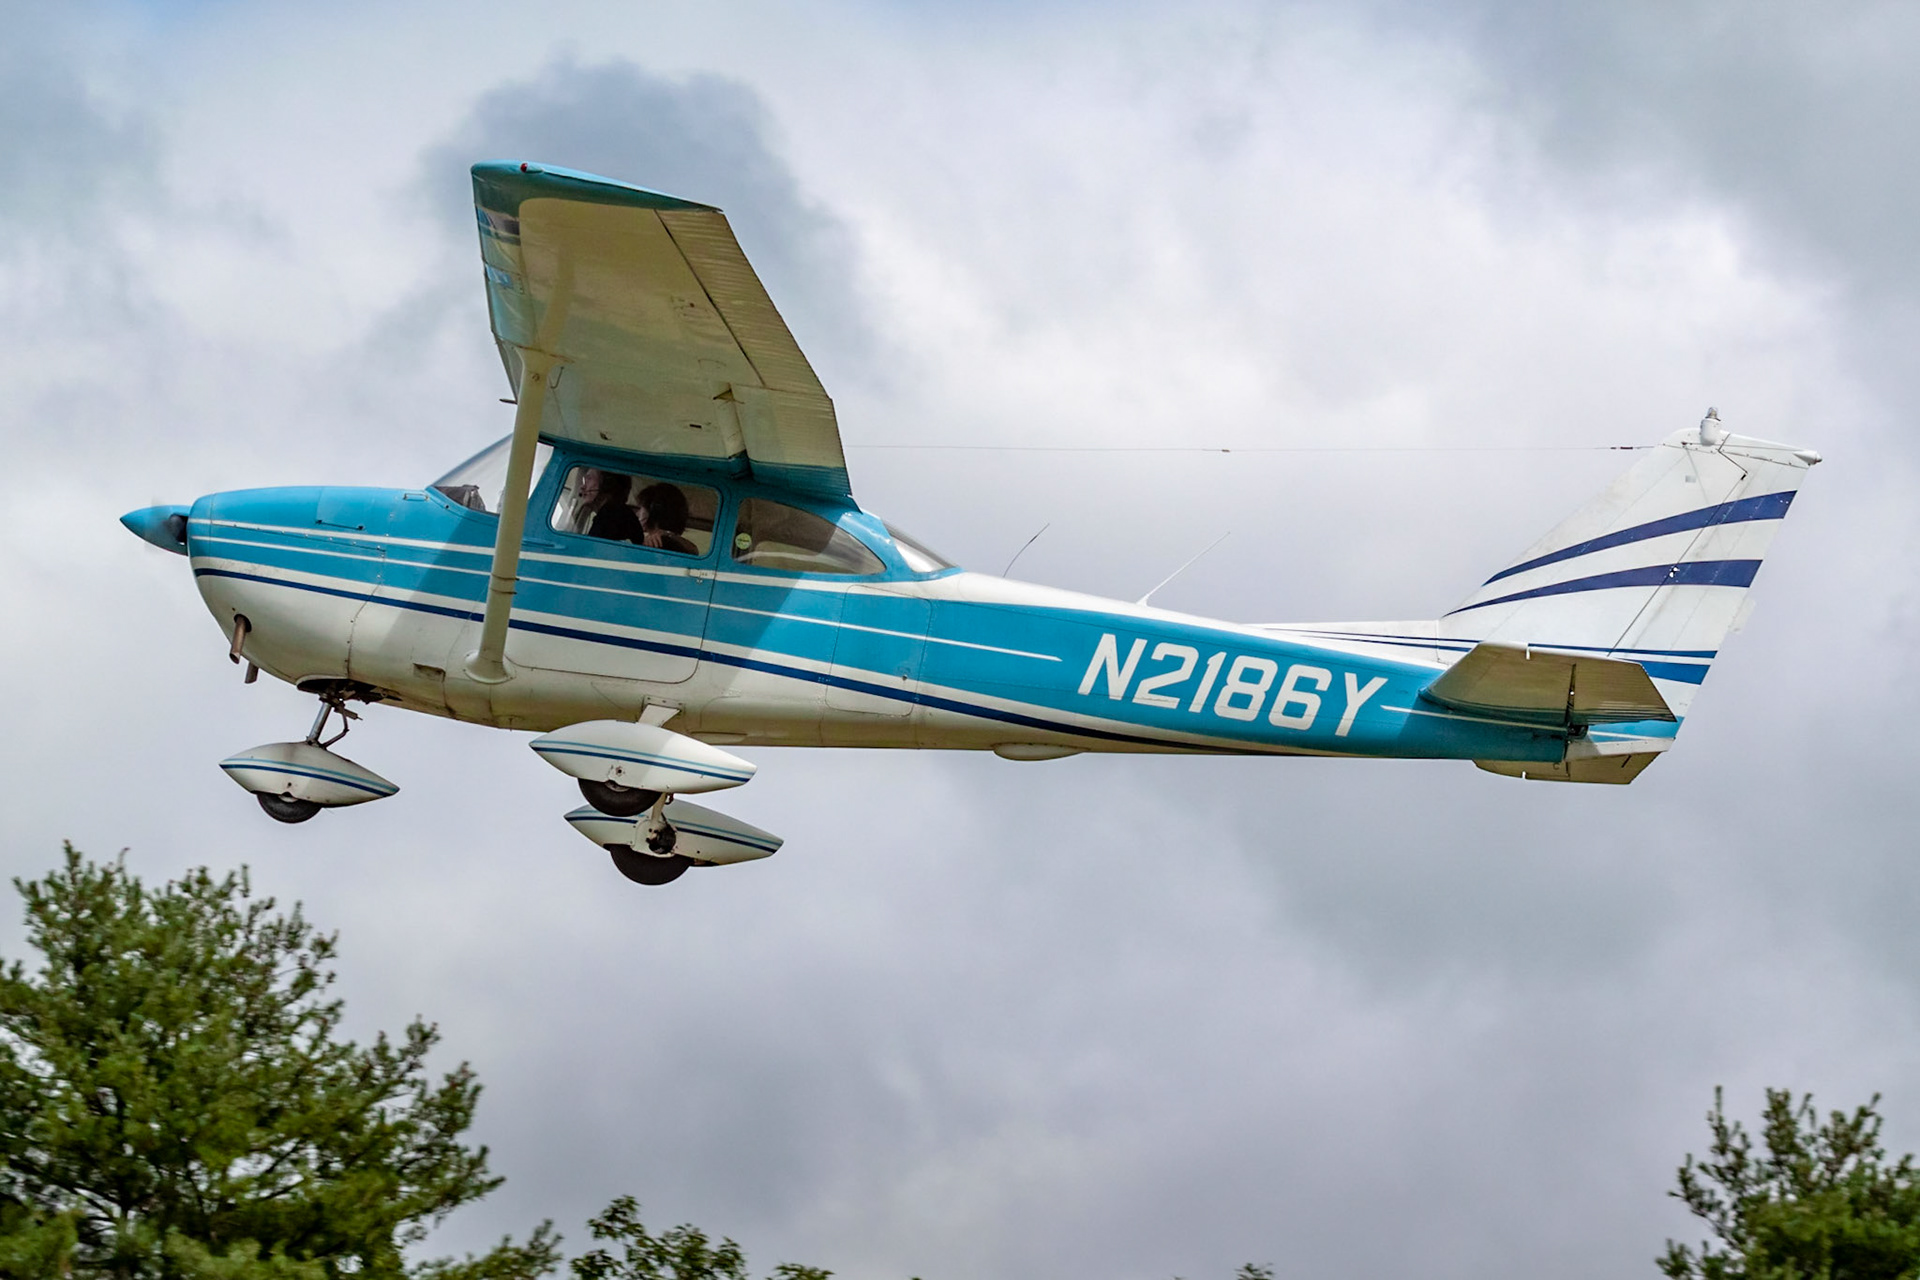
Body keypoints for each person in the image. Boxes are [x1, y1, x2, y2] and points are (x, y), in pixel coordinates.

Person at [570, 469, 646, 543]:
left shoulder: (611, 516)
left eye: (589, 479)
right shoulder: (612, 513)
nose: (582, 487)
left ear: (606, 484)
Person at [635, 482, 698, 554]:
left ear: (654, 510)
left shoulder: (654, 544)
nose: (637, 514)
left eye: (640, 508)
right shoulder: (682, 545)